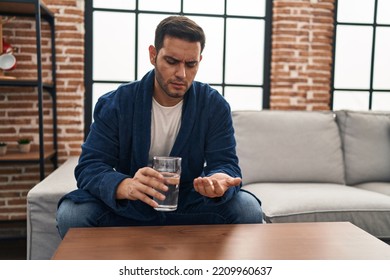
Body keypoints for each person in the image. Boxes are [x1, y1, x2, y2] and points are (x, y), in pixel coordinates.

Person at [56, 16, 263, 238]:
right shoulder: (117, 103)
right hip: (132, 204)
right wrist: (124, 185)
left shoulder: (214, 105)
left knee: (248, 208)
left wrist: (218, 181)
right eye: (172, 61)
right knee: (71, 214)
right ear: (153, 55)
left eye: (191, 64)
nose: (181, 74)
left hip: (188, 203)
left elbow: (225, 163)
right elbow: (90, 166)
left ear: (199, 60)